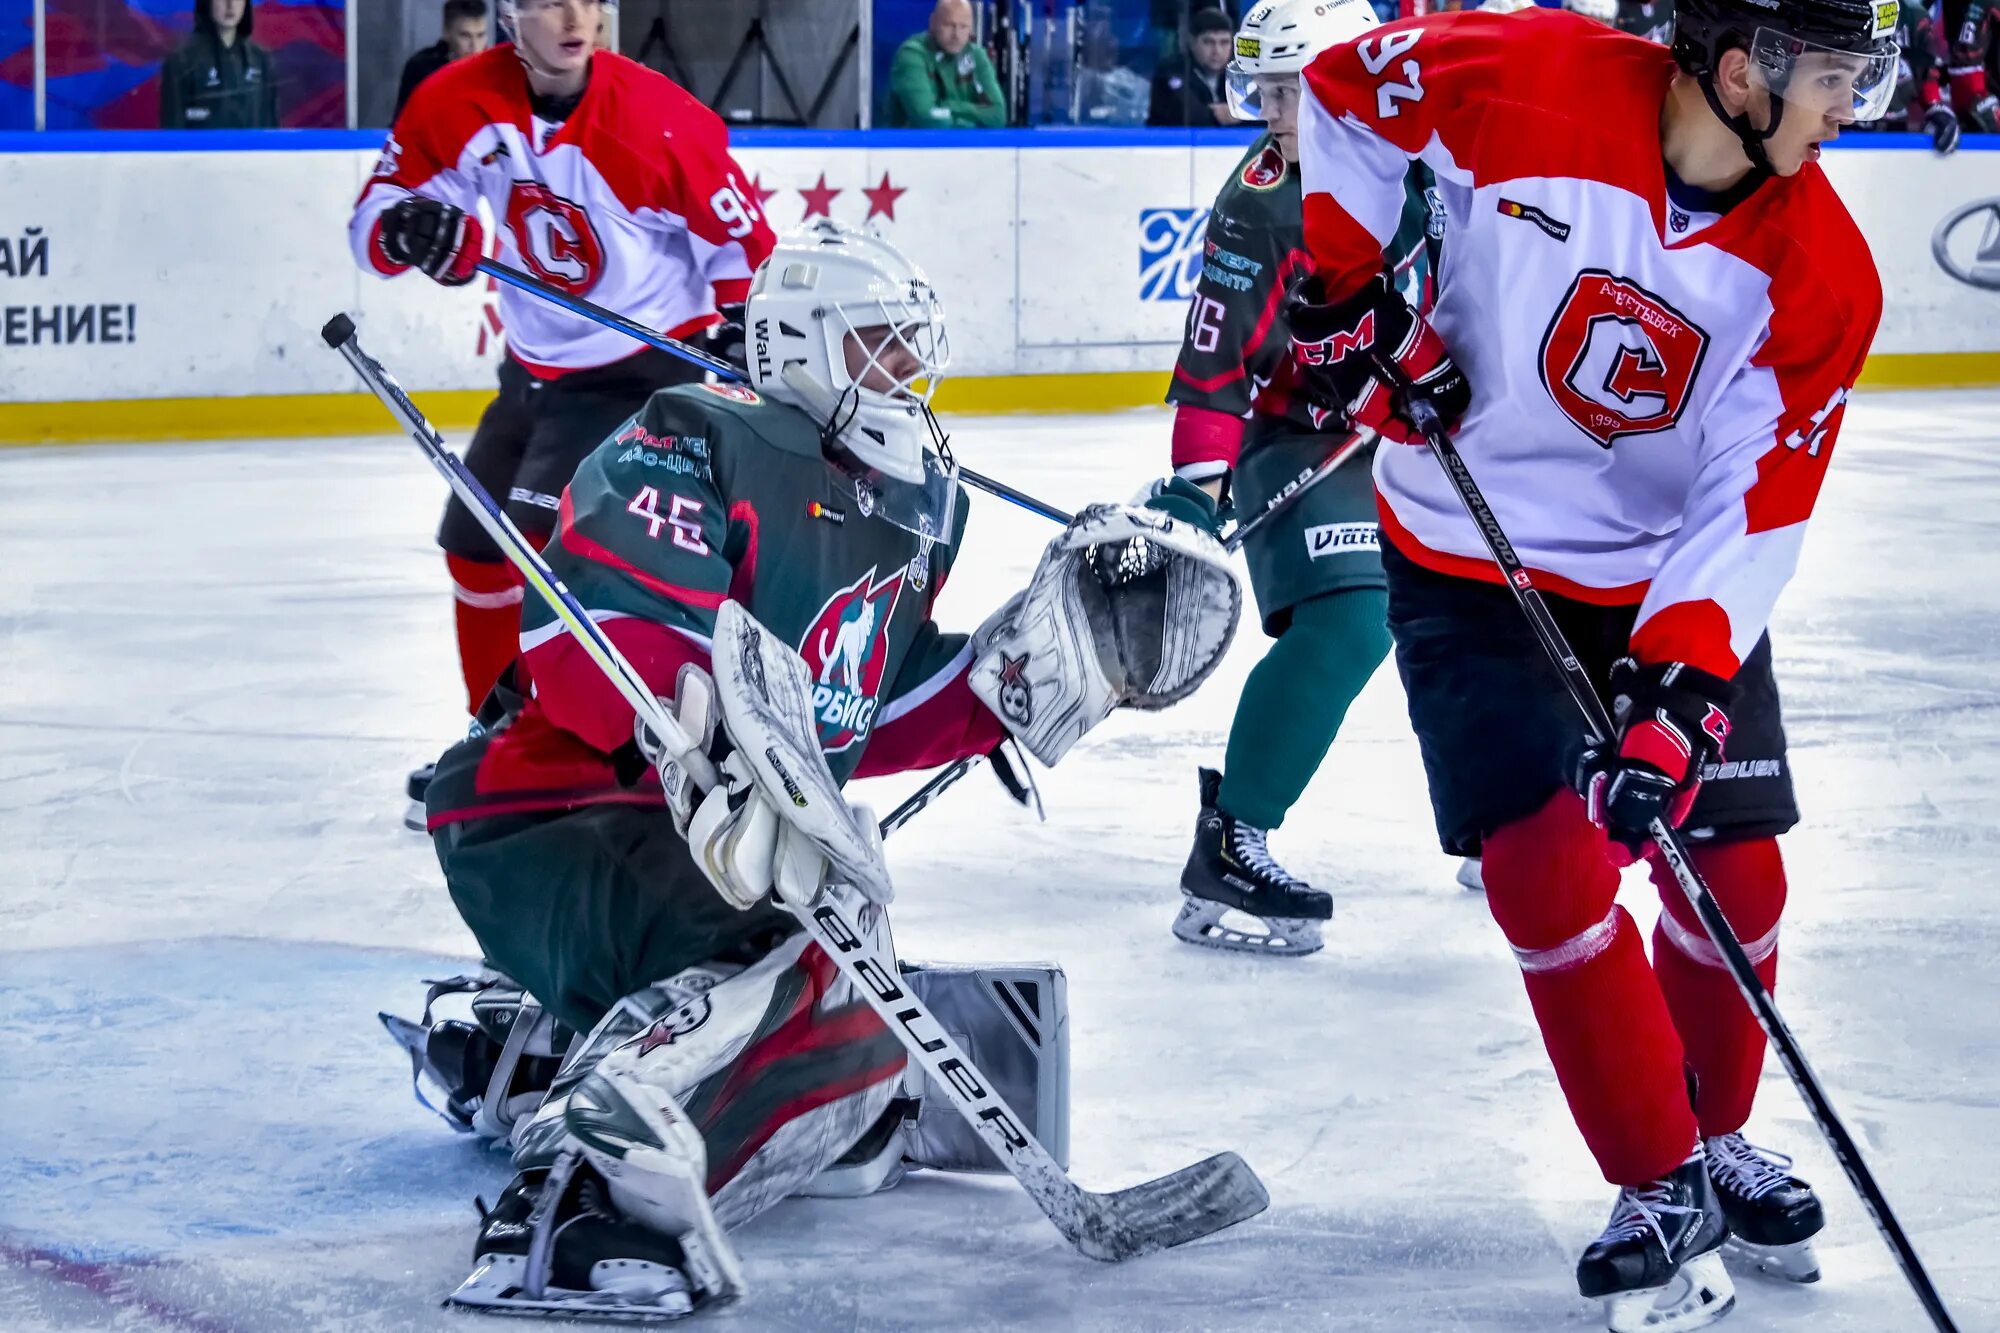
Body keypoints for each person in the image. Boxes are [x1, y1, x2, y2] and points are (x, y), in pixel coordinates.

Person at [388, 221, 1241, 1318]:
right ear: (798, 346)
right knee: (800, 963)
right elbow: (589, 650)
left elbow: (858, 710)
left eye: (910, 345)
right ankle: (577, 1197)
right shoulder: (694, 433)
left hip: (695, 842)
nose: (905, 371)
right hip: (557, 812)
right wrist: (711, 738)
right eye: (877, 346)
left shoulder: (923, 503)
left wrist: (1012, 676)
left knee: (845, 1020)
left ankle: (549, 1043)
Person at [1284, 0, 1887, 1327]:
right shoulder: (1532, 69)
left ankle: (1718, 1138)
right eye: (1836, 80)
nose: (1854, 110)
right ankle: (1659, 1178)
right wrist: (1351, 293)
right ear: (1742, 70)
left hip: (1663, 570)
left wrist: (1676, 688)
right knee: (1544, 871)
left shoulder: (1824, 271)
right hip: (1464, 548)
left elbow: (1756, 503)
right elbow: (1337, 94)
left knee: (1733, 862)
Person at [348, 0, 775, 825]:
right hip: (537, 374)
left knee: (536, 557)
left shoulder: (656, 117)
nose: (577, 17)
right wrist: (408, 229)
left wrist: (735, 334)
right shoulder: (457, 99)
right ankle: (494, 740)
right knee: (474, 549)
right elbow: (372, 215)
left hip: (642, 374)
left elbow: (747, 247)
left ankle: (549, 755)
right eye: (550, 0)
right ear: (511, 14)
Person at [1162, 0, 1435, 955]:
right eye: (1268, 90)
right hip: (1304, 438)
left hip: (1425, 427)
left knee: (1493, 610)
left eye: (1297, 88)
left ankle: (1502, 811)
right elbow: (1214, 363)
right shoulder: (1264, 202)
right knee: (1351, 622)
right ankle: (1232, 841)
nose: (1279, 112)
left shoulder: (1422, 154)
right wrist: (1193, 492)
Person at [886, 0, 1008, 128]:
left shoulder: (977, 56)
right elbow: (925, 118)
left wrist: (948, 106)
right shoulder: (911, 55)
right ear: (933, 23)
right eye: (949, 25)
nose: (956, 35)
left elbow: (998, 116)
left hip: (968, 147)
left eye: (963, 26)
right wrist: (973, 127)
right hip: (910, 146)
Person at [159, 0, 278, 129]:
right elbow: (173, 133)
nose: (230, 5)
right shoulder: (182, 60)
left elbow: (271, 128)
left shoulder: (260, 60)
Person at [394, 0, 490, 119]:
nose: (475, 46)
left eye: (480, 35)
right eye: (465, 35)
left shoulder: (493, 71)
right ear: (446, 32)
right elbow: (401, 124)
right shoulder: (421, 68)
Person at [1147, 7, 1236, 126]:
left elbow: (1262, 115)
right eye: (1208, 42)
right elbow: (1189, 116)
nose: (1217, 51)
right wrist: (1228, 114)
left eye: (1224, 42)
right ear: (1192, 42)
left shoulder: (1239, 74)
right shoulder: (1170, 71)